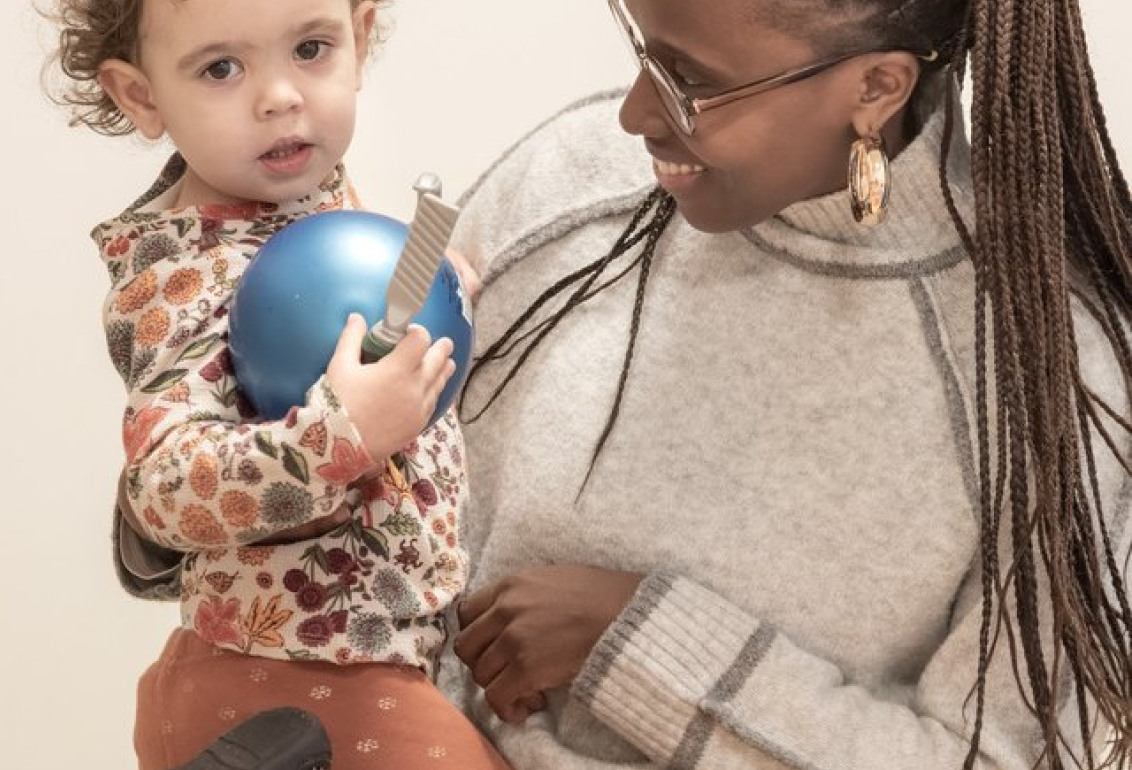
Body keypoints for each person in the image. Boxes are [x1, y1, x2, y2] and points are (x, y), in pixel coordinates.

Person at [445, 0, 1132, 768]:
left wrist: (645, 647)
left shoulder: (1042, 371)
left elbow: (999, 757)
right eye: (643, 47)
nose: (635, 115)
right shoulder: (564, 186)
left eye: (689, 80)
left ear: (876, 87)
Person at [49, 1, 505, 768]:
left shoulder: (311, 205)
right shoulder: (187, 276)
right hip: (286, 685)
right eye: (221, 68)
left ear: (359, 37)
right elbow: (163, 490)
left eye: (311, 49)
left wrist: (432, 301)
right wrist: (338, 435)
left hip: (382, 660)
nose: (280, 97)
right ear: (142, 97)